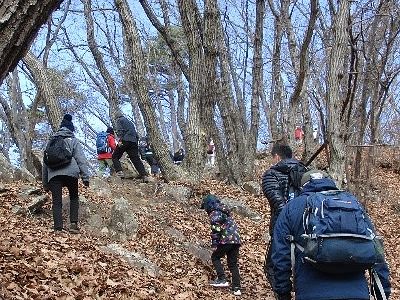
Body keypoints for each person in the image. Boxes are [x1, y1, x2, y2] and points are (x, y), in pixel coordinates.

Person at [271, 170, 391, 300]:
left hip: (311, 293)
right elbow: (376, 250)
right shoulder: (352, 204)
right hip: (357, 293)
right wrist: (382, 292)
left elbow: (280, 254)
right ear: (330, 183)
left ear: (302, 186)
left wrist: (283, 293)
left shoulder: (292, 207)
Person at [261, 143, 307, 293]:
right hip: (306, 227)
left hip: (281, 228)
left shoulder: (271, 174)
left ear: (277, 157)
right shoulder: (305, 171)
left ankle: (283, 295)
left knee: (274, 267)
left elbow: (278, 203)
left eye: (272, 158)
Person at [42, 114, 90, 234]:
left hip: (53, 174)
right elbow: (80, 159)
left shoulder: (51, 141)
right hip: (71, 173)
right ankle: (73, 224)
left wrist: (45, 183)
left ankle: (58, 228)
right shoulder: (73, 140)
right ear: (71, 130)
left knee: (56, 201)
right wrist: (85, 177)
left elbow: (45, 162)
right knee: (74, 197)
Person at [200, 194, 242, 296]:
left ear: (208, 205)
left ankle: (222, 278)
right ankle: (237, 288)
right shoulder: (225, 212)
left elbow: (216, 229)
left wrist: (215, 244)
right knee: (232, 263)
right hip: (236, 240)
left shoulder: (215, 213)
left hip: (226, 239)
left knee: (215, 257)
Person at [112, 112, 149, 182]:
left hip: (125, 140)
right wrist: (135, 142)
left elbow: (120, 131)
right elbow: (136, 134)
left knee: (115, 156)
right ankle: (144, 175)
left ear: (116, 117)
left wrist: (120, 140)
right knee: (136, 159)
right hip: (133, 142)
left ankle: (120, 173)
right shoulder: (130, 122)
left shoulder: (119, 120)